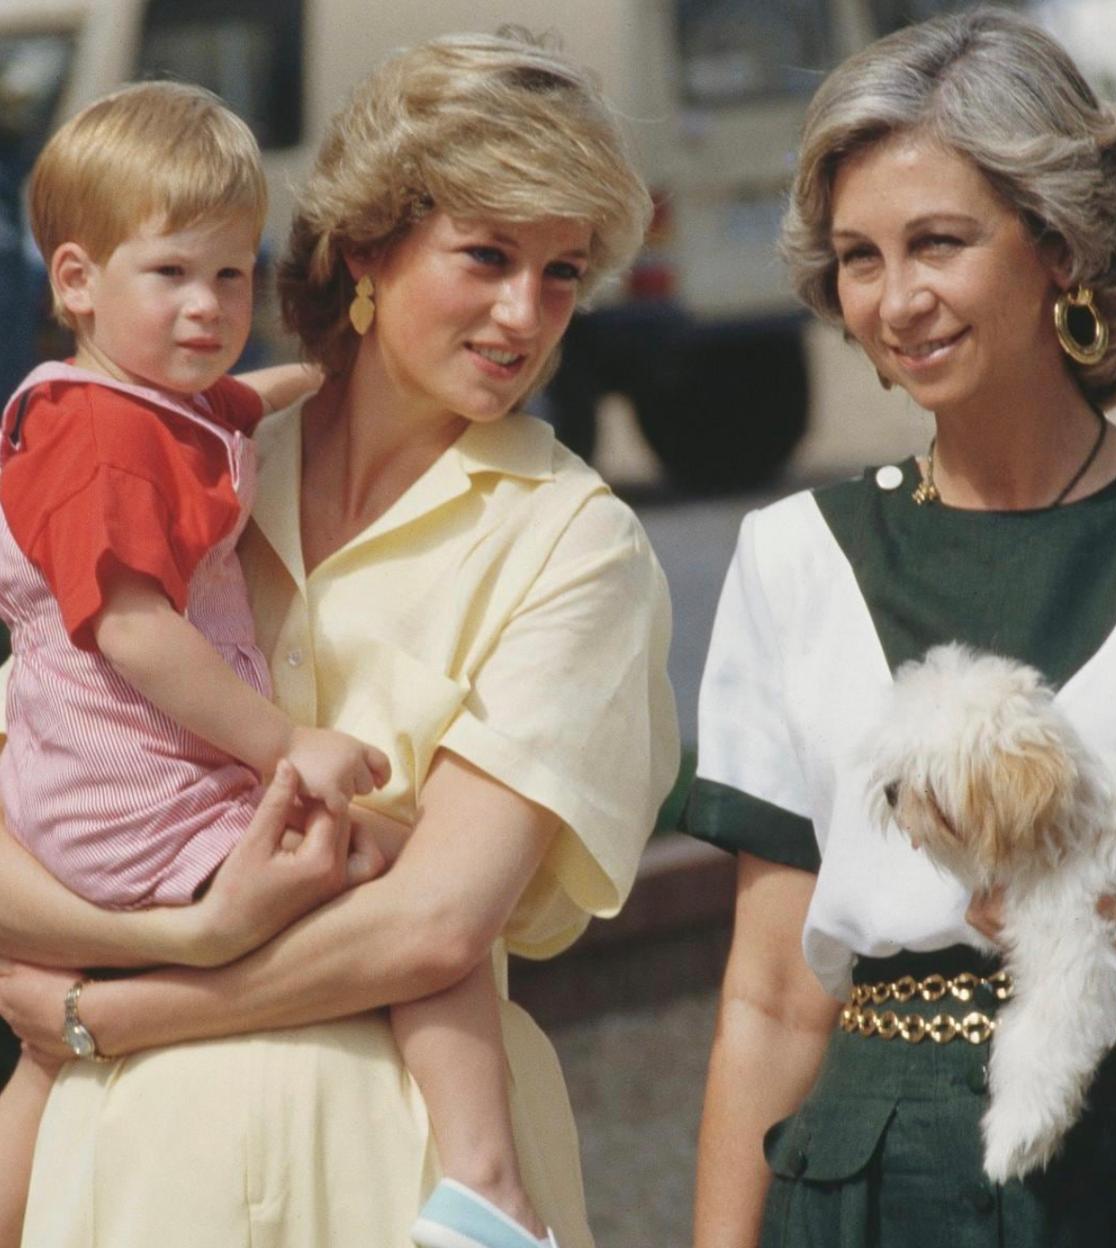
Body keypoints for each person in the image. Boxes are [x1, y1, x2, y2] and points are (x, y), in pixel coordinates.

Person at [0, 30, 678, 1248]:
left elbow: (434, 924)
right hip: (135, 1187)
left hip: (408, 1193)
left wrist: (114, 1009)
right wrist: (188, 934)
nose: (526, 314)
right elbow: (23, 818)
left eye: (563, 273)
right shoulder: (175, 469)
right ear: (369, 246)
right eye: (486, 255)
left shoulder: (576, 545)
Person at [683, 9, 1116, 1247]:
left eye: (939, 242)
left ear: (1060, 246)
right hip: (862, 1186)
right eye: (861, 257)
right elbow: (773, 998)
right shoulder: (793, 558)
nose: (897, 300)